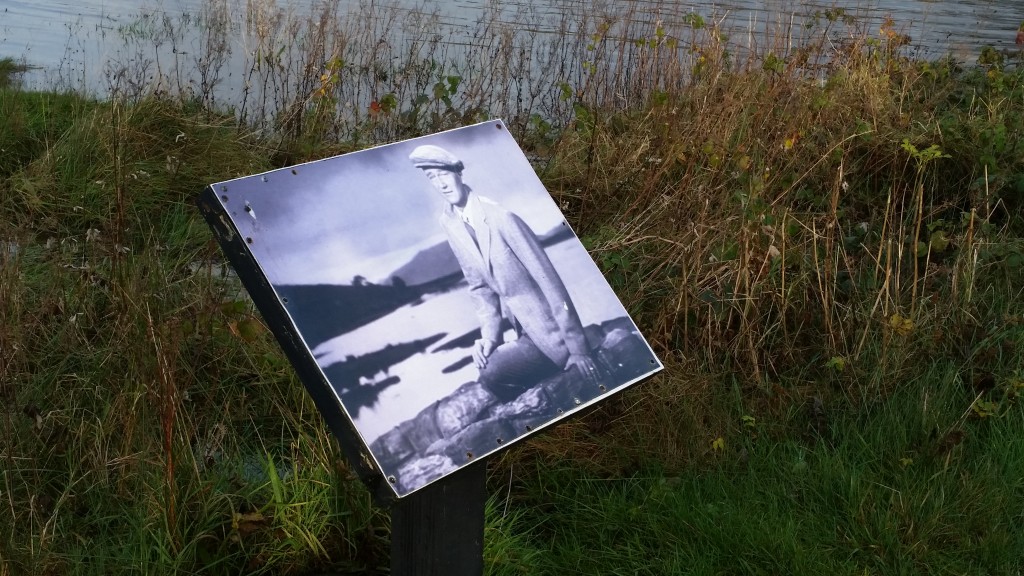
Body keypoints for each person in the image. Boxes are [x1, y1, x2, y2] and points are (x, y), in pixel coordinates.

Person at [408, 144, 599, 401]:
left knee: (492, 374)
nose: (441, 183)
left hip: (549, 334)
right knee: (487, 365)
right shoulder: (450, 222)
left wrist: (578, 349)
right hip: (520, 332)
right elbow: (479, 287)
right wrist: (489, 337)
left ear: (458, 172)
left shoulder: (501, 217)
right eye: (432, 177)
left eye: (444, 173)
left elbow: (552, 286)